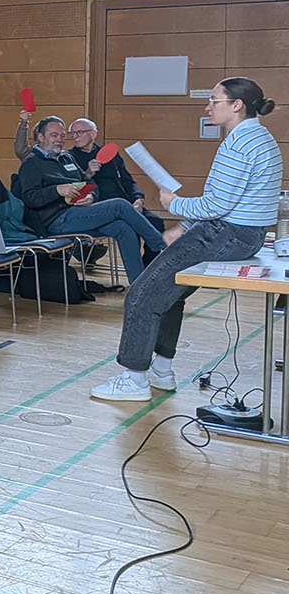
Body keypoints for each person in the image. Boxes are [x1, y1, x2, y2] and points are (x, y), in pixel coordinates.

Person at [93, 78, 282, 401]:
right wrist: (184, 227)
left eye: (214, 100)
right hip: (246, 235)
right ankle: (161, 370)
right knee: (170, 293)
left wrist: (174, 204)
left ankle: (134, 379)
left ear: (237, 105)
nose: (208, 107)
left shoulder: (238, 144)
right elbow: (229, 203)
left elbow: (216, 206)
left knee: (141, 294)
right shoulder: (260, 138)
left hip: (224, 233)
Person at [16, 116, 166, 283]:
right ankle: (163, 246)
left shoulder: (66, 157)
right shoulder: (32, 162)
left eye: (62, 135)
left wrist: (90, 196)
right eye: (54, 135)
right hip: (57, 219)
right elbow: (29, 198)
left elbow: (90, 183)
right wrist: (56, 190)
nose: (60, 139)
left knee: (122, 227)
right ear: (41, 137)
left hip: (80, 212)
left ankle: (140, 286)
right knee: (120, 205)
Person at [65, 117, 165, 237]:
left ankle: (154, 251)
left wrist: (138, 199)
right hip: (97, 206)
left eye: (79, 132)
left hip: (123, 200)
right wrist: (88, 173)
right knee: (129, 227)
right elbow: (73, 188)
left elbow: (128, 180)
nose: (75, 137)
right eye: (72, 133)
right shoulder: (68, 157)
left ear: (93, 134)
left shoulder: (109, 153)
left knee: (156, 223)